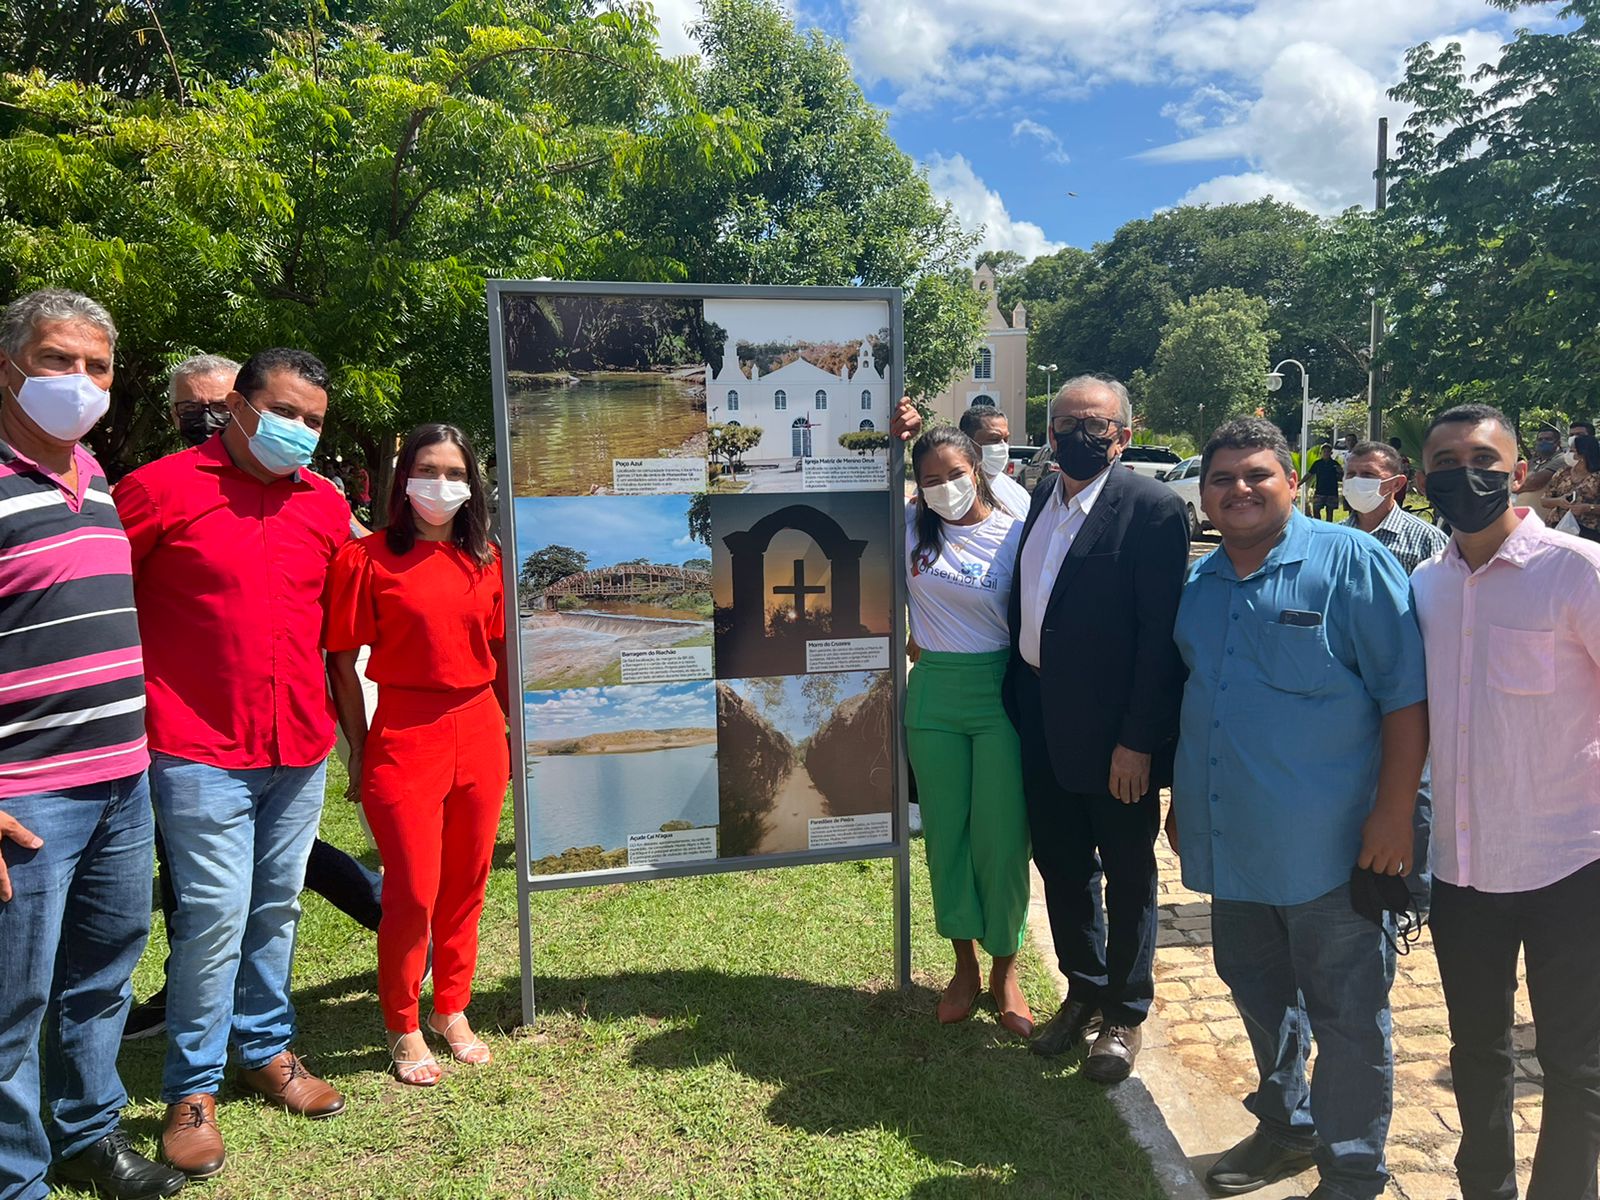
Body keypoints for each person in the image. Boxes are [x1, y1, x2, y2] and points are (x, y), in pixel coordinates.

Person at [1171, 417, 1428, 1200]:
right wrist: (1185, 804)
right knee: (1255, 990)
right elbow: (1204, 703)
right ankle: (1287, 1126)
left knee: (1348, 1016)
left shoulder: (1350, 561)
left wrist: (1393, 818)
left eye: (1257, 475)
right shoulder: (1202, 585)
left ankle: (1354, 1168)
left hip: (1332, 853)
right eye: (1222, 479)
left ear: (1291, 481)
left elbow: (1406, 698)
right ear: (1205, 495)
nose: (1238, 490)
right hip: (1236, 844)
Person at [115, 348, 351, 1180]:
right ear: (241, 407)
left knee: (277, 907)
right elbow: (97, 602)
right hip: (195, 747)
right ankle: (191, 1091)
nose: (300, 430)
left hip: (298, 746)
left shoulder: (323, 504)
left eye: (315, 420)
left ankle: (267, 1051)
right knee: (213, 913)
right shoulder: (158, 490)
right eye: (286, 411)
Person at [0, 289, 185, 1200]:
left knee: (102, 976)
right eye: (56, 360)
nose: (79, 381)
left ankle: (88, 1134)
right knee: (10, 1003)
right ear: (9, 368)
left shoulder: (95, 477)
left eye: (96, 366)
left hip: (121, 779)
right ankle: (14, 1176)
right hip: (25, 798)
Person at [1412, 404, 1600, 1200]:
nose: (1467, 473)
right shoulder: (1424, 586)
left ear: (1519, 471)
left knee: (1576, 1062)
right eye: (1447, 460)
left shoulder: (1577, 569)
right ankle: (1482, 1188)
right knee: (1475, 1049)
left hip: (1573, 861)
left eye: (1483, 458)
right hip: (1464, 868)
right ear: (1425, 481)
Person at [325, 424, 509, 1086]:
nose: (442, 484)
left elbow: (498, 651)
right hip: (404, 732)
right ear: (403, 480)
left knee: (467, 883)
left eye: (455, 473)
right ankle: (403, 1021)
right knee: (411, 891)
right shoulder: (366, 560)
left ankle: (451, 1007)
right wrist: (358, 748)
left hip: (480, 727)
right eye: (428, 469)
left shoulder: (485, 560)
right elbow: (342, 664)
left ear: (471, 485)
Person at [902, 426, 1032, 1037]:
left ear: (977, 469)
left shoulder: (1015, 534)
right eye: (929, 480)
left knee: (1002, 840)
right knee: (946, 836)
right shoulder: (909, 530)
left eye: (953, 474)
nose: (944, 488)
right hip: (932, 697)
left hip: (1001, 696)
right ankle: (964, 965)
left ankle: (1007, 967)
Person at [1341, 440, 1448, 920]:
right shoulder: (1337, 539)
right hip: (1352, 691)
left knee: (1415, 793)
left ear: (1396, 484)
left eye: (1366, 473)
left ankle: (1414, 895)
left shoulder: (1426, 541)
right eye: (1350, 473)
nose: (1354, 483)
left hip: (1411, 690)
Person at [957, 404, 1031, 517]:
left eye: (1006, 439)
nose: (1002, 446)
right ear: (966, 441)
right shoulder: (951, 492)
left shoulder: (1019, 494)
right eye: (993, 439)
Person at [1543, 431, 1600, 542]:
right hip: (1557, 528)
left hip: (1588, 534)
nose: (1568, 454)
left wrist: (1588, 508)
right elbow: (1544, 501)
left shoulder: (1597, 476)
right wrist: (1559, 501)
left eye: (1572, 451)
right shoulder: (1563, 472)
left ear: (1583, 454)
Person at [1306, 441, 1342, 520]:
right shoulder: (1317, 463)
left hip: (1331, 492)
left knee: (1329, 512)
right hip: (1320, 491)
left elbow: (1341, 477)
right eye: (1324, 451)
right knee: (1316, 509)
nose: (1326, 453)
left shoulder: (1335, 464)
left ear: (1331, 453)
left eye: (1328, 452)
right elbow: (1309, 474)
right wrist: (1299, 483)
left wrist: (1340, 471)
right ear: (1321, 453)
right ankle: (1318, 525)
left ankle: (1328, 527)